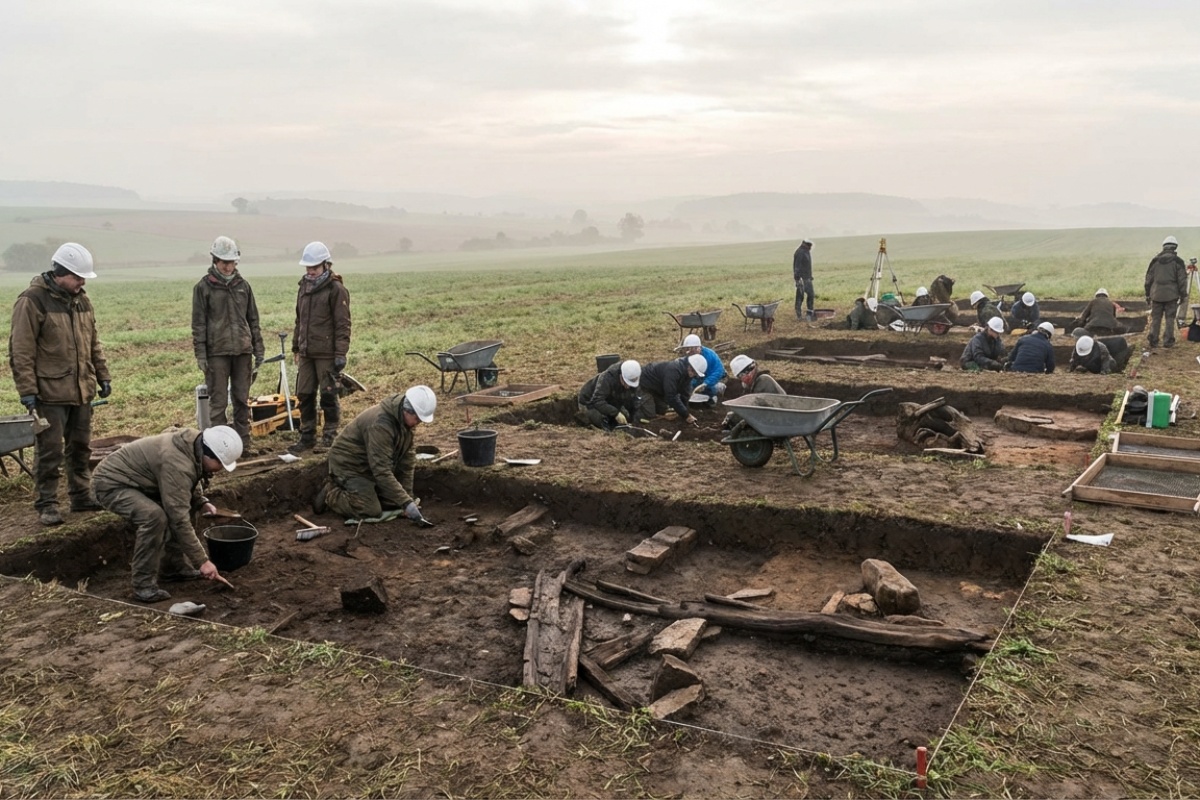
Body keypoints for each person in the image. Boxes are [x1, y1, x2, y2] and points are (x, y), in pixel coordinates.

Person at [8, 242, 112, 526]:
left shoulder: (82, 301)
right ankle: (47, 503)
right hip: (50, 393)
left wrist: (102, 375)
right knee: (50, 450)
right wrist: (28, 391)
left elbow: (93, 343)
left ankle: (80, 495)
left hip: (81, 390)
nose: (81, 283)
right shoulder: (32, 301)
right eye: (78, 277)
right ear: (60, 273)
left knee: (81, 446)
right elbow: (21, 351)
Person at [91, 425, 242, 603]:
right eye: (220, 464)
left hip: (139, 482)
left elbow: (186, 484)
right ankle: (143, 585)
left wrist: (201, 501)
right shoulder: (177, 463)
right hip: (111, 484)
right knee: (154, 517)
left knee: (184, 506)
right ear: (208, 455)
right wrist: (202, 561)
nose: (221, 469)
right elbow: (178, 518)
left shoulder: (193, 446)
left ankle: (174, 568)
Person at [313, 385, 436, 520]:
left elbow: (407, 462)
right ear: (407, 410)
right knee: (370, 509)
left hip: (369, 463)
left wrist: (407, 499)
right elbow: (381, 470)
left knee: (395, 502)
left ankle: (369, 491)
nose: (418, 423)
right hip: (350, 465)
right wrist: (406, 503)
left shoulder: (405, 422)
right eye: (417, 419)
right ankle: (331, 492)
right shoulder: (381, 425)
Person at [192, 236, 265, 456]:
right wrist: (201, 355)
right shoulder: (203, 288)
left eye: (231, 262)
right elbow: (198, 324)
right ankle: (219, 450)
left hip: (243, 352)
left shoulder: (244, 286)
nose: (227, 266)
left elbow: (253, 320)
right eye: (223, 261)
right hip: (217, 354)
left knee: (242, 401)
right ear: (215, 261)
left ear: (236, 262)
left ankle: (244, 445)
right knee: (219, 403)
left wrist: (258, 349)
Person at [289, 242, 352, 453]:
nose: (310, 271)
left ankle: (330, 437)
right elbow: (300, 320)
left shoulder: (336, 289)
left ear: (325, 264)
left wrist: (340, 353)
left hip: (326, 352)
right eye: (308, 267)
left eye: (314, 267)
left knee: (328, 395)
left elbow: (343, 323)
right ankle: (307, 436)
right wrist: (296, 347)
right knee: (304, 394)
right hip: (307, 352)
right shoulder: (303, 288)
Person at [636, 354, 706, 425]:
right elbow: (671, 396)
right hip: (644, 386)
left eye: (695, 374)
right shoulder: (674, 370)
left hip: (658, 389)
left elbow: (685, 394)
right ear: (689, 365)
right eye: (693, 371)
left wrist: (683, 411)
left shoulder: (688, 374)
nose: (692, 374)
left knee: (662, 409)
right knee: (650, 414)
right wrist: (686, 415)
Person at [722, 354, 786, 431]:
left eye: (746, 372)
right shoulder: (751, 383)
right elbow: (745, 401)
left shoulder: (763, 380)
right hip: (769, 414)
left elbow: (754, 405)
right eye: (740, 376)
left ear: (753, 367)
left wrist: (737, 417)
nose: (745, 377)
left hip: (778, 417)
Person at [1145, 235, 1188, 348]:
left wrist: (1148, 294)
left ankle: (1153, 340)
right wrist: (1183, 295)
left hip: (1156, 294)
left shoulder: (1155, 261)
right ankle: (1168, 341)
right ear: (1175, 247)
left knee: (1156, 318)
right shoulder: (1178, 262)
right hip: (1171, 295)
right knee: (1170, 318)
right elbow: (1182, 281)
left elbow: (1148, 280)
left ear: (1164, 247)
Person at [577, 359, 641, 430]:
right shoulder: (606, 379)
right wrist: (616, 413)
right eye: (627, 383)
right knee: (606, 425)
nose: (628, 386)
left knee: (625, 419)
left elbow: (634, 400)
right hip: (590, 403)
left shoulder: (633, 377)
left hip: (610, 401)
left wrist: (635, 417)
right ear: (621, 376)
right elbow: (597, 401)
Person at [679, 333, 726, 405]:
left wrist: (706, 383)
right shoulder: (688, 356)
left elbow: (719, 371)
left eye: (692, 349)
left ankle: (717, 392)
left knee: (712, 389)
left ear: (698, 348)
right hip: (697, 380)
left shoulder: (710, 355)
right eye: (687, 349)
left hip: (712, 379)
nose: (689, 352)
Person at [793, 238, 814, 321]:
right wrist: (798, 278)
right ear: (806, 244)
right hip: (802, 279)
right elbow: (797, 266)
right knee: (800, 297)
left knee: (810, 295)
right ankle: (799, 315)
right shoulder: (800, 252)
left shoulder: (806, 251)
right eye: (810, 245)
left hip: (807, 278)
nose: (811, 248)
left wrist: (810, 276)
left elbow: (807, 266)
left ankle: (809, 314)